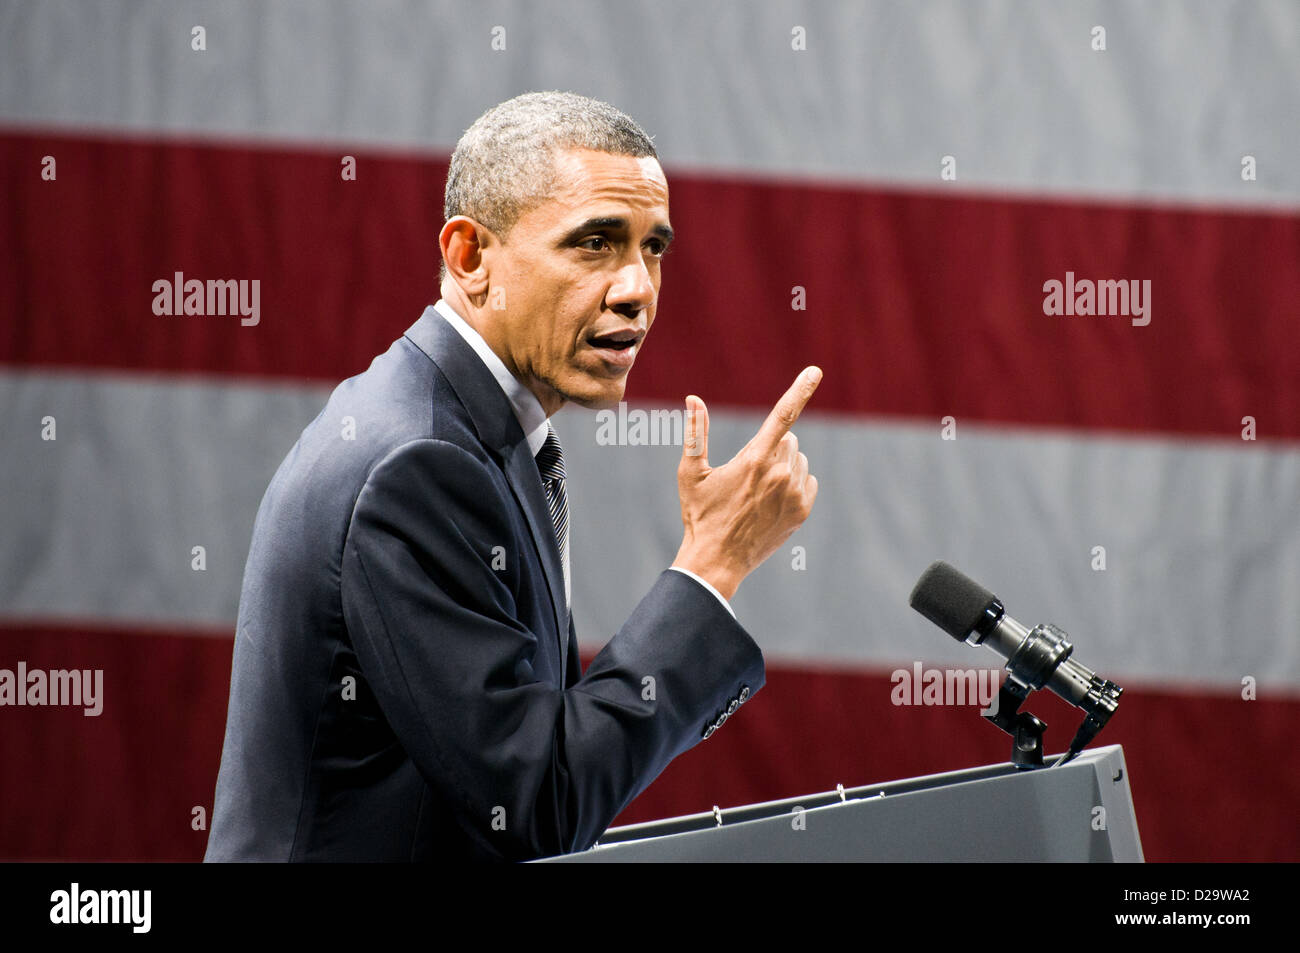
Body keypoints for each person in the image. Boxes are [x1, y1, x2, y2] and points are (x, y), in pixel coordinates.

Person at [204, 91, 821, 862]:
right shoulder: (419, 465)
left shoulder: (459, 427)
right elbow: (539, 802)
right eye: (595, 242)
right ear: (469, 258)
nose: (637, 286)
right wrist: (712, 564)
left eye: (652, 246)